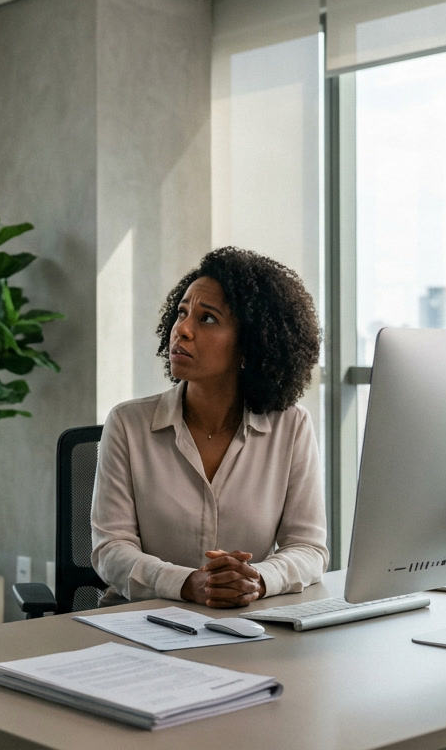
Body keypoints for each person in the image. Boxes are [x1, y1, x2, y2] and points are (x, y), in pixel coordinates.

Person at [90, 247, 327, 608]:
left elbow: (308, 547)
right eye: (182, 313)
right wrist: (187, 583)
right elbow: (111, 549)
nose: (182, 330)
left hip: (246, 626)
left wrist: (259, 579)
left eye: (208, 319)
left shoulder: (291, 428)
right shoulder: (127, 424)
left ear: (249, 345)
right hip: (140, 625)